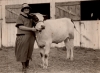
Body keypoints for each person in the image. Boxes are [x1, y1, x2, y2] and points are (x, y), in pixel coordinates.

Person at [15, 3, 36, 72]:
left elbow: (37, 24)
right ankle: (23, 67)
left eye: (28, 8)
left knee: (29, 51)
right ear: (23, 10)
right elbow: (20, 26)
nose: (26, 9)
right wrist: (31, 29)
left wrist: (37, 19)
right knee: (23, 52)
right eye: (25, 8)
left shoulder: (30, 17)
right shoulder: (20, 17)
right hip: (22, 36)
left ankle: (27, 65)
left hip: (30, 37)